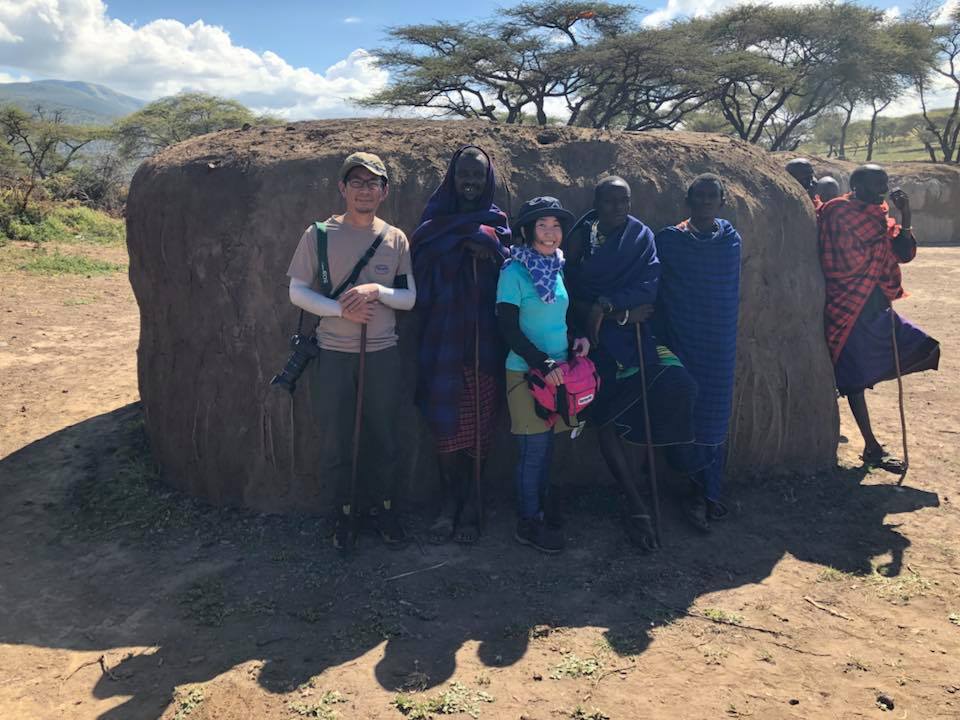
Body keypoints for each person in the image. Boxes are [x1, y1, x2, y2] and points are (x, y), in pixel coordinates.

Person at [286, 152, 416, 549]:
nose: (364, 190)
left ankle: (385, 510)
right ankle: (342, 514)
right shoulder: (319, 235)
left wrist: (376, 291)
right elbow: (297, 291)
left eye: (373, 183)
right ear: (342, 188)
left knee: (385, 437)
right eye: (356, 182)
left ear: (384, 191)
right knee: (336, 439)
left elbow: (408, 297)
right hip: (334, 353)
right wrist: (340, 310)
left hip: (382, 353)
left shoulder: (395, 238)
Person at [565, 177, 699, 550]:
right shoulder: (579, 238)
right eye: (610, 201)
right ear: (596, 202)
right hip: (591, 341)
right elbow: (568, 291)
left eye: (623, 201)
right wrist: (598, 312)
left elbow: (648, 288)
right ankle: (635, 501)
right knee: (604, 416)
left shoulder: (640, 237)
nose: (618, 208)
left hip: (636, 336)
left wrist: (609, 308)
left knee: (680, 385)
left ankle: (679, 476)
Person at [411, 146, 509, 544]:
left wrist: (491, 253)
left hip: (485, 339)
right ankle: (449, 499)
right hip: (443, 336)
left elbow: (511, 269)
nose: (470, 182)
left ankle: (473, 499)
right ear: (452, 178)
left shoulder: (496, 223)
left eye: (477, 175)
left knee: (482, 424)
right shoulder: (434, 222)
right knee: (445, 425)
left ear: (488, 180)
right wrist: (456, 248)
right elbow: (418, 270)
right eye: (463, 174)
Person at [818, 164, 940, 471]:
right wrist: (876, 250)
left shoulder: (879, 215)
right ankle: (872, 446)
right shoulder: (837, 212)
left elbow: (904, 254)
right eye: (876, 184)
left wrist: (906, 215)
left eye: (884, 184)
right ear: (856, 185)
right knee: (854, 379)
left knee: (923, 347)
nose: (883, 191)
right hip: (848, 305)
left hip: (877, 305)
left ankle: (862, 382)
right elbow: (840, 262)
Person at [496, 197, 590, 554]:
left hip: (561, 373)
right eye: (542, 225)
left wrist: (577, 337)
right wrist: (541, 363)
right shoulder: (513, 272)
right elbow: (508, 328)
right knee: (533, 450)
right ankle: (528, 521)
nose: (550, 233)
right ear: (527, 231)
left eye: (555, 225)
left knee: (554, 447)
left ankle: (546, 507)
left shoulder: (557, 267)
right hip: (526, 373)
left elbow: (561, 316)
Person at [653, 174, 742, 531]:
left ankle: (707, 492)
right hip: (683, 338)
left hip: (720, 344)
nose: (705, 201)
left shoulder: (730, 240)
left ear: (722, 201)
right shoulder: (670, 241)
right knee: (685, 408)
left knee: (714, 413)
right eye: (699, 196)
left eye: (711, 196)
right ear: (687, 200)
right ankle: (693, 490)